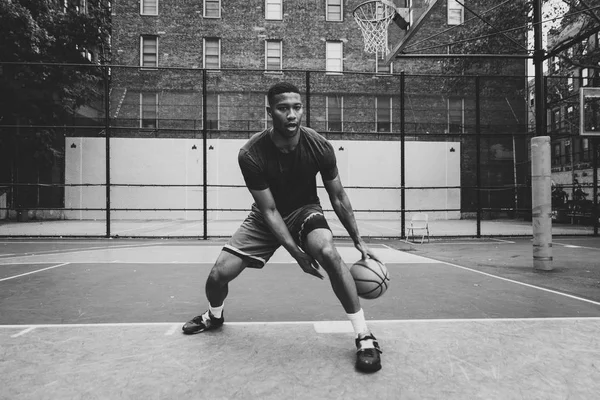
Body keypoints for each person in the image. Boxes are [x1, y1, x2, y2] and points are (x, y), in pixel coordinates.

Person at [182, 82, 383, 372]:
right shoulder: (251, 153)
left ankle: (364, 336)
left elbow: (338, 196)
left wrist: (358, 240)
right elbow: (269, 210)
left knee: (328, 252)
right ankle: (214, 317)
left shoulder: (319, 146)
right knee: (217, 276)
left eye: (297, 107)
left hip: (305, 211)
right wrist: (297, 254)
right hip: (265, 219)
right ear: (269, 112)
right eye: (283, 108)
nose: (292, 114)